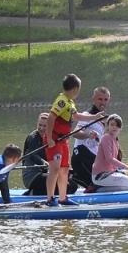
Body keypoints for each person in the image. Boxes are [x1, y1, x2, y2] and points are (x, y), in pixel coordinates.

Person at [44, 74, 83, 205]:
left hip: (63, 140)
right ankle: (50, 199)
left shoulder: (70, 102)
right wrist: (49, 138)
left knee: (64, 169)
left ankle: (62, 198)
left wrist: (95, 117)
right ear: (75, 89)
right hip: (54, 140)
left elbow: (77, 117)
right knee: (54, 169)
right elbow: (50, 118)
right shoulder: (62, 101)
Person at [69, 86, 110, 192]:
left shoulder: (105, 120)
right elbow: (75, 133)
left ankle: (71, 178)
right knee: (98, 187)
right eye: (100, 99)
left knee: (105, 183)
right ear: (93, 99)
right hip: (82, 158)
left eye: (105, 99)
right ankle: (72, 178)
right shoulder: (87, 116)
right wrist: (88, 135)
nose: (103, 102)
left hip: (93, 161)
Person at [90, 115, 128, 191]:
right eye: (112, 125)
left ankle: (103, 189)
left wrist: (123, 171)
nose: (114, 127)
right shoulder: (106, 138)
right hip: (100, 176)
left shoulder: (116, 142)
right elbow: (109, 159)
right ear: (108, 126)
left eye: (117, 125)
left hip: (109, 174)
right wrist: (127, 167)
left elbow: (114, 166)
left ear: (120, 128)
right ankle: (99, 190)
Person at [20, 112, 51, 195]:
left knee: (72, 187)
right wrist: (44, 162)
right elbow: (33, 155)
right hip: (32, 175)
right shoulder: (32, 138)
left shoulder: (51, 138)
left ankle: (39, 192)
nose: (41, 128)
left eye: (45, 126)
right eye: (40, 125)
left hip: (45, 173)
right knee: (54, 180)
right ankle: (33, 192)